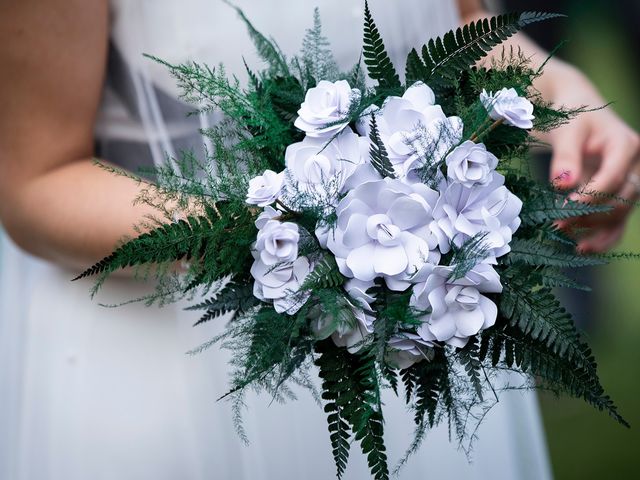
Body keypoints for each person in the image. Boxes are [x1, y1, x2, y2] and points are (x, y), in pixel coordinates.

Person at [0, 0, 637, 479]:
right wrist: (289, 235)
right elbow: (37, 183)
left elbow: (460, 29)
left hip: (403, 339)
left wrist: (565, 95)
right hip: (166, 361)